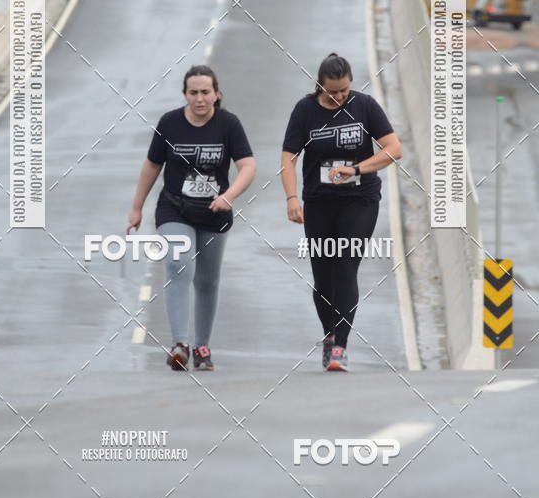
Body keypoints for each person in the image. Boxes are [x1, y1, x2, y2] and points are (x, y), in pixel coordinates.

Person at [127, 65, 255, 372]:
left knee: (207, 281)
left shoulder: (229, 124)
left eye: (205, 92)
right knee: (178, 263)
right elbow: (151, 166)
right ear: (185, 94)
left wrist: (229, 196)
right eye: (193, 93)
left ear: (216, 94)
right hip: (175, 207)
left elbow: (248, 166)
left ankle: (202, 347)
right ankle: (180, 344)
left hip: (214, 211)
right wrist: (137, 207)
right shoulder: (170, 123)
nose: (200, 99)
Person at [281, 53, 402, 372]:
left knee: (345, 267)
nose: (339, 97)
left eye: (344, 90)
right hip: (319, 201)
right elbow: (288, 158)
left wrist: (357, 168)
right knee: (323, 276)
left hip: (359, 199)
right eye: (333, 92)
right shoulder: (304, 111)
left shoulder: (364, 106)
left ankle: (340, 348)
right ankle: (329, 336)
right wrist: (292, 197)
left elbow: (393, 149)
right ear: (320, 85)